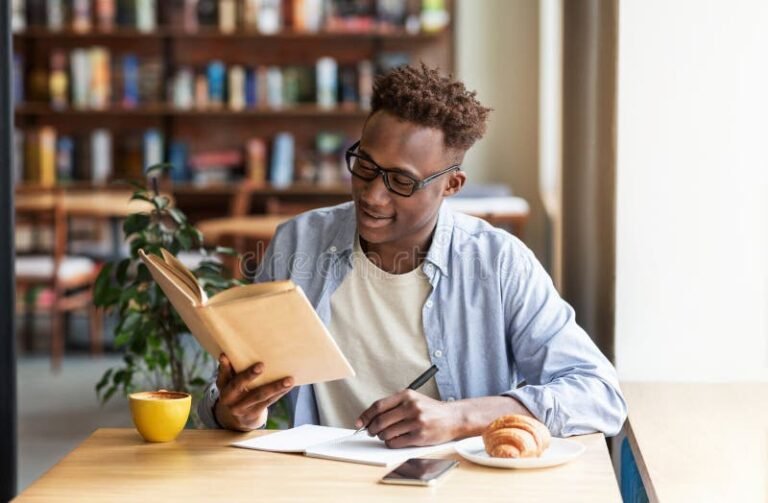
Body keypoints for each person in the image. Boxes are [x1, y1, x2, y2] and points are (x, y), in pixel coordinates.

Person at [198, 64, 627, 446]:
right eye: (364, 166)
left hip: (459, 486)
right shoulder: (298, 243)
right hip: (322, 485)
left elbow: (600, 394)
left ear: (452, 185)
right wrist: (235, 413)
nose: (372, 194)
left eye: (400, 182)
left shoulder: (497, 262)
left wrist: (459, 417)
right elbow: (234, 392)